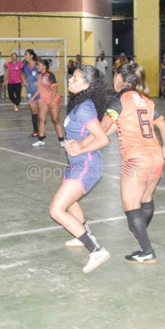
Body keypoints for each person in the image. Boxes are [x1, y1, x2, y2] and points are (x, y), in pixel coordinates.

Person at [101, 63, 165, 264]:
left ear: (119, 78)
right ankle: (139, 230)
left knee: (131, 206)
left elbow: (104, 127)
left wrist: (83, 143)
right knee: (146, 199)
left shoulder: (119, 99)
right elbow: (163, 126)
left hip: (136, 159)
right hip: (156, 155)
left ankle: (147, 250)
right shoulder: (145, 101)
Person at [53, 65, 111, 273]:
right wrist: (77, 146)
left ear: (87, 85)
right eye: (71, 77)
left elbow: (103, 139)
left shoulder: (85, 107)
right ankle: (82, 234)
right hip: (78, 162)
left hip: (86, 164)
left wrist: (80, 149)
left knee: (57, 210)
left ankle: (96, 250)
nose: (70, 81)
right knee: (70, 203)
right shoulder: (80, 103)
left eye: (75, 79)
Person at [29, 59, 65, 147]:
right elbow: (40, 89)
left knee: (56, 120)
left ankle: (61, 140)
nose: (37, 66)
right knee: (41, 120)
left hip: (53, 101)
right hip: (43, 101)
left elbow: (55, 89)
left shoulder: (50, 75)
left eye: (39, 65)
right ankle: (41, 139)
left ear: (44, 66)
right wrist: (33, 98)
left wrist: (51, 101)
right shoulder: (40, 77)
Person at [22, 49, 41, 136]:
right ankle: (35, 130)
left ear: (31, 56)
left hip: (40, 92)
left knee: (40, 112)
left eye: (26, 55)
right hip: (30, 91)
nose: (24, 56)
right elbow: (21, 73)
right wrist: (24, 81)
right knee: (33, 111)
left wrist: (40, 81)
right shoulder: (25, 66)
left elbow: (45, 73)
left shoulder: (38, 65)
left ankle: (41, 131)